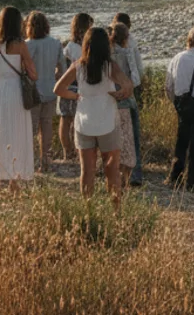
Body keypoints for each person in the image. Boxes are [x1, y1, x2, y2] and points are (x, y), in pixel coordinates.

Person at [54, 27, 133, 208]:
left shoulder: (78, 66)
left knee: (87, 171)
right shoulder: (110, 66)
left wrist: (76, 96)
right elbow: (127, 85)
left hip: (84, 123)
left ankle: (88, 209)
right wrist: (120, 94)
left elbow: (58, 89)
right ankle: (116, 211)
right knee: (111, 169)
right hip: (107, 121)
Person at [0, 7, 38, 195]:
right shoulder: (20, 45)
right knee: (16, 132)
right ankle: (14, 181)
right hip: (14, 90)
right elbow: (33, 73)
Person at [164, 28, 194, 192]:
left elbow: (168, 86)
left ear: (188, 41)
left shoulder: (176, 58)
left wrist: (176, 102)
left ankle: (175, 177)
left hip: (182, 102)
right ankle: (192, 181)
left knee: (182, 140)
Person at [25, 10, 66, 173]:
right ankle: (46, 161)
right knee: (47, 126)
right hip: (50, 89)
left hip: (33, 91)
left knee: (32, 128)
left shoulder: (27, 45)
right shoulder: (55, 43)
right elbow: (62, 69)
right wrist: (54, 76)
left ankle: (31, 161)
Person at [113, 13, 146, 186]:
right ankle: (135, 174)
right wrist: (130, 88)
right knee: (133, 138)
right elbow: (137, 74)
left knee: (114, 139)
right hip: (128, 98)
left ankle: (113, 172)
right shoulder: (128, 50)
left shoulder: (107, 53)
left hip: (111, 99)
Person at [57, 13, 93, 161]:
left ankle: (67, 152)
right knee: (76, 122)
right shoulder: (82, 48)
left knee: (65, 120)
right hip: (78, 89)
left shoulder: (68, 46)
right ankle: (77, 152)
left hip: (66, 87)